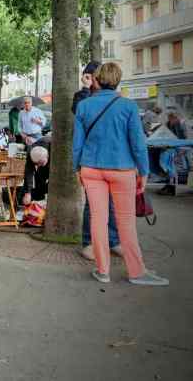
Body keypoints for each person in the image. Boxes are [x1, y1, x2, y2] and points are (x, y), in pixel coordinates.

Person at [73, 62, 168, 286]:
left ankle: (102, 270)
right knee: (125, 222)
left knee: (98, 220)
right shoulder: (128, 106)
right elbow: (137, 143)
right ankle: (136, 272)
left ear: (96, 80)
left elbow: (77, 143)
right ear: (118, 81)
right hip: (122, 169)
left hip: (91, 168)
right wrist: (144, 171)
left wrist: (77, 167)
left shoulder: (84, 106)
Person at [72, 62, 121, 261]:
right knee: (92, 204)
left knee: (112, 204)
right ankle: (89, 242)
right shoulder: (82, 98)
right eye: (89, 76)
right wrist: (85, 88)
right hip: (92, 159)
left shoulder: (117, 99)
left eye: (94, 76)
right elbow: (78, 111)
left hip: (112, 160)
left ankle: (113, 240)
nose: (93, 79)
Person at [21, 138, 51, 204]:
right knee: (38, 178)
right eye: (37, 164)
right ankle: (38, 200)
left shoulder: (52, 147)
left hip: (53, 161)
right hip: (43, 159)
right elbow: (28, 173)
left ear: (47, 156)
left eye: (41, 163)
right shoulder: (30, 153)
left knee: (51, 182)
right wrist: (27, 193)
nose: (39, 165)